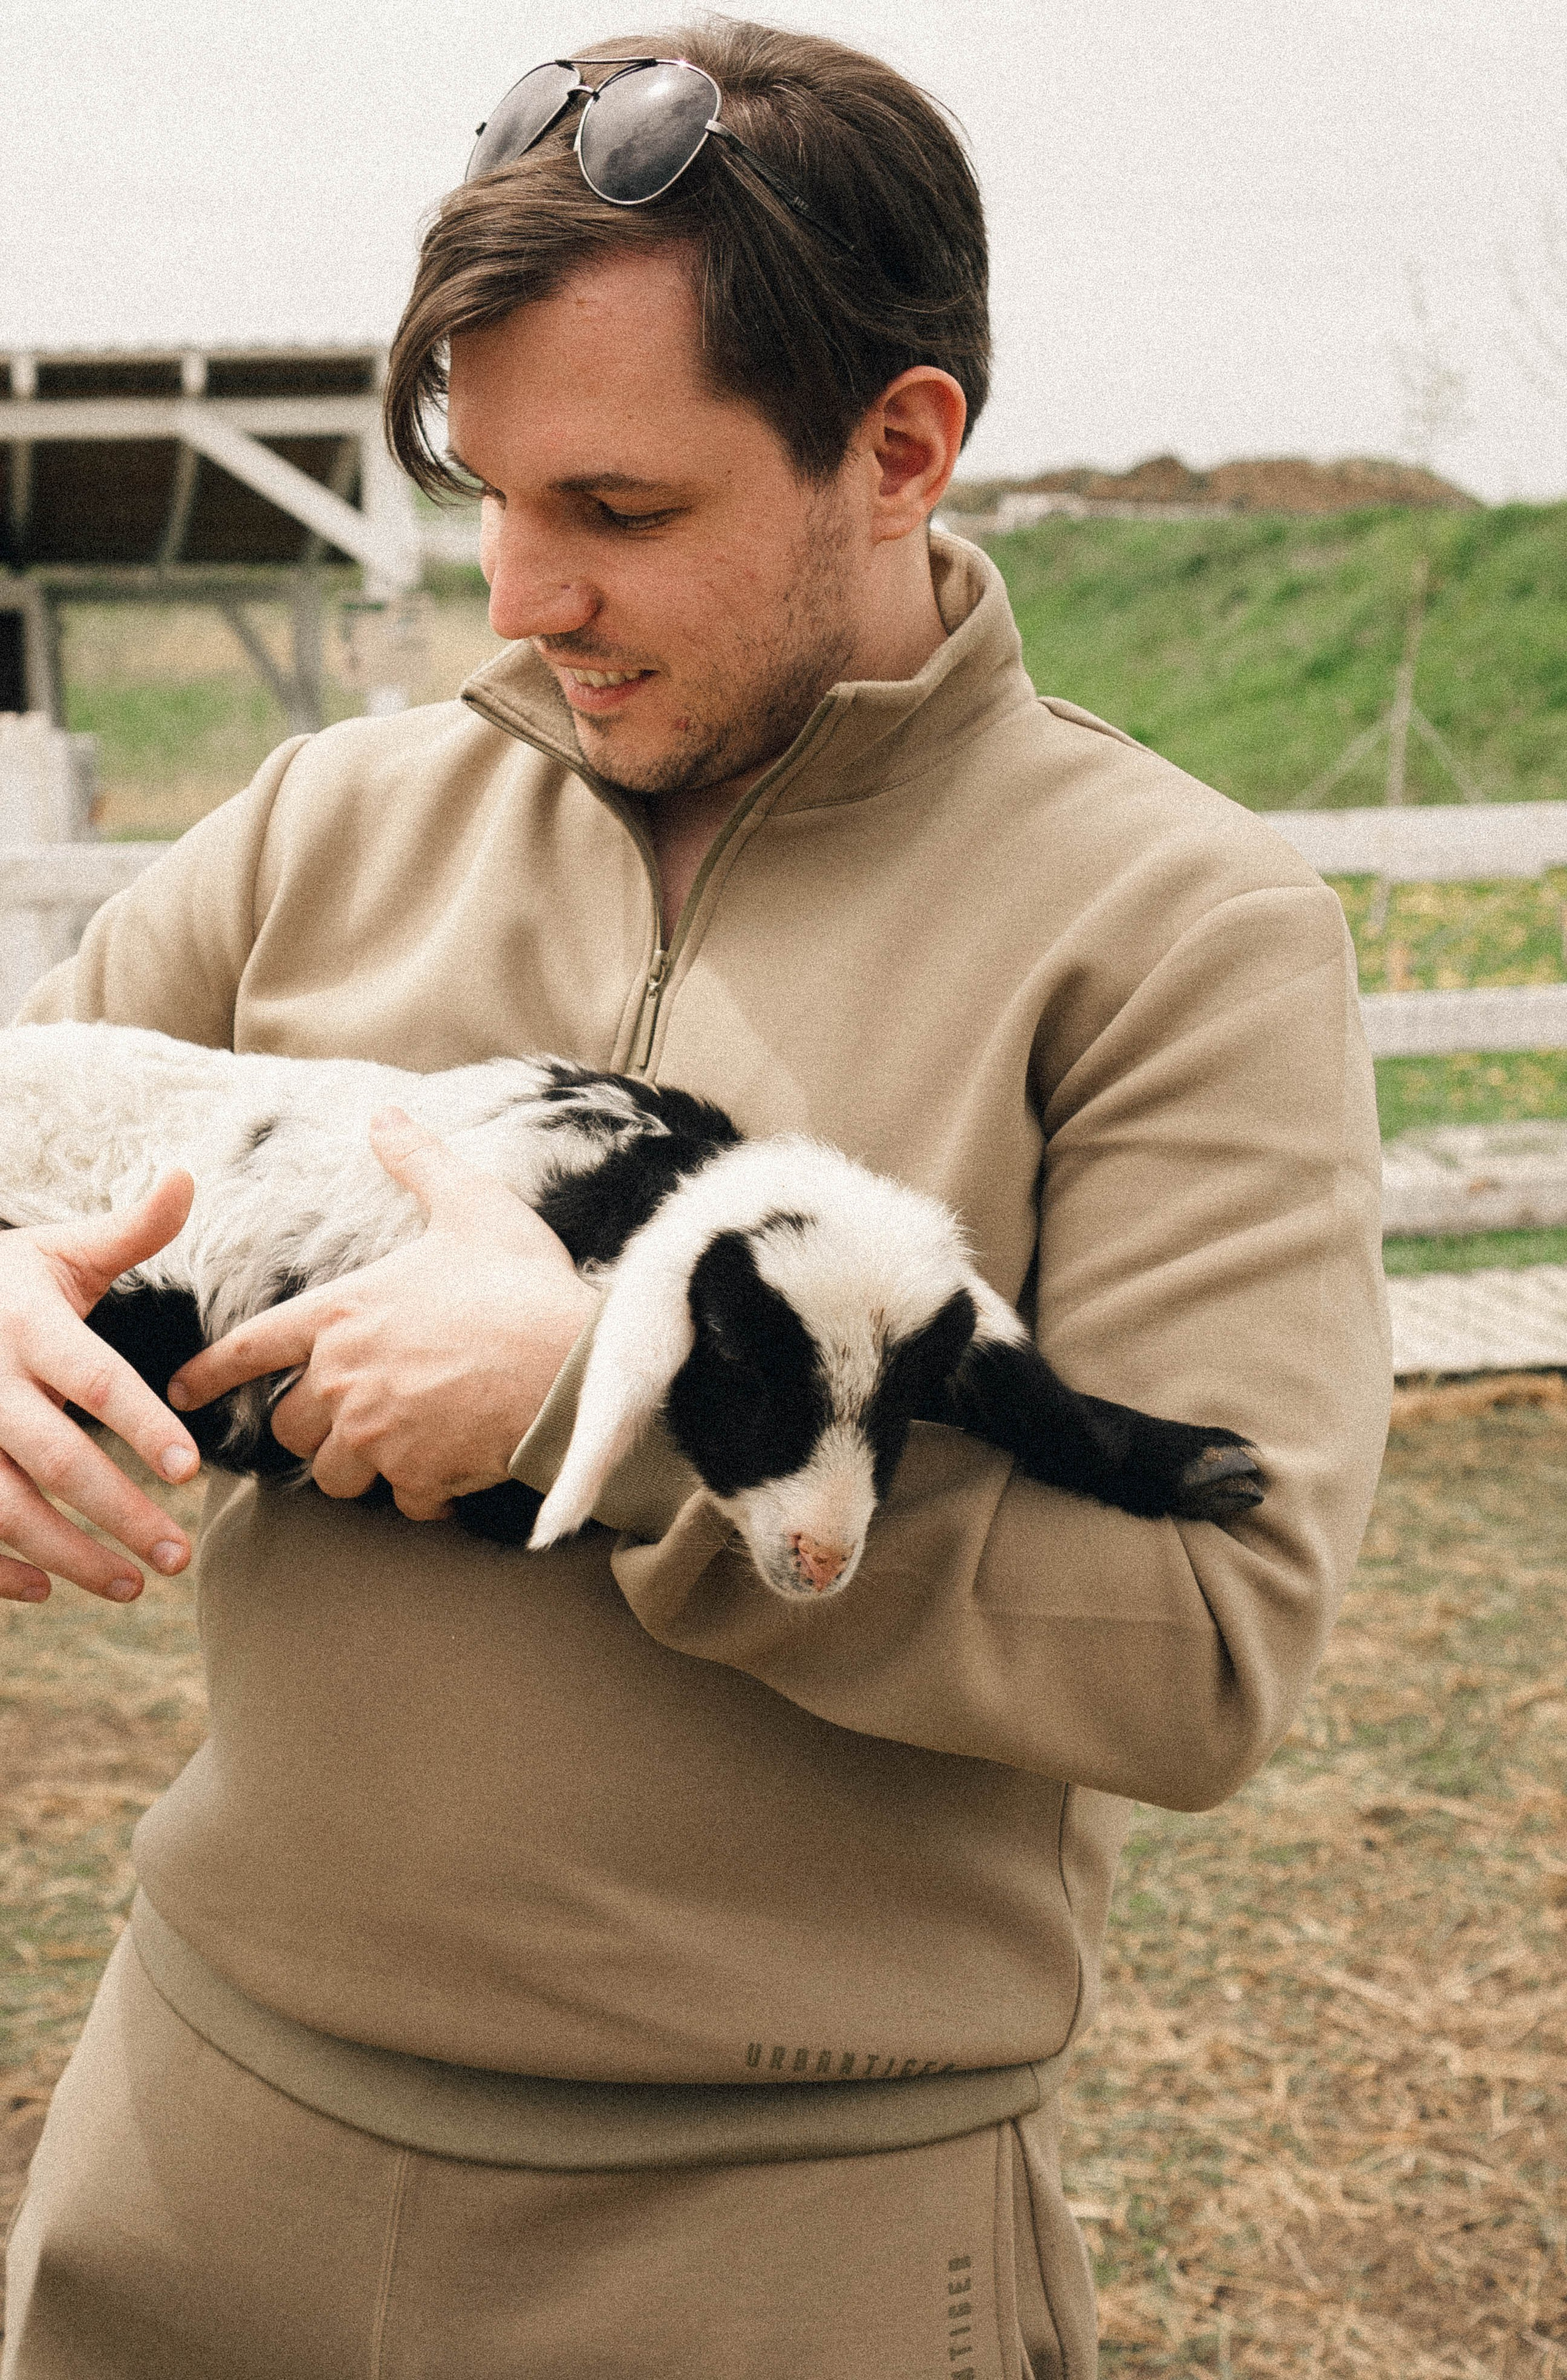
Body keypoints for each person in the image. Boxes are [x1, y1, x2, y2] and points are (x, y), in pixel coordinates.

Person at [0, 23, 1390, 2378]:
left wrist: (599, 1412)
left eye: (619, 512)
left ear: (903, 448)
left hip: (776, 2247)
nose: (524, 594)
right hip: (195, 2153)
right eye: (491, 498)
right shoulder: (317, 825)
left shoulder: (1177, 933)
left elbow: (1208, 1641)